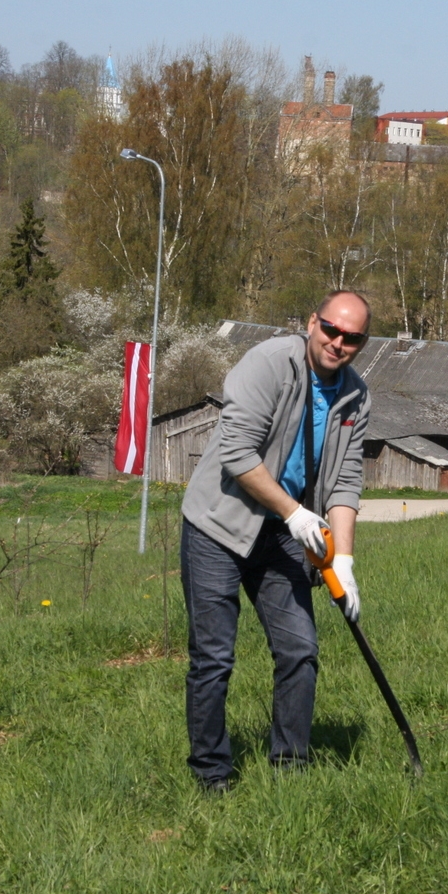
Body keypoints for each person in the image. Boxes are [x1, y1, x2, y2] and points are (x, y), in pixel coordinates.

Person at [178, 290, 372, 790]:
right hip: (218, 525)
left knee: (299, 649)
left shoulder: (355, 395)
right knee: (215, 657)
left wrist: (343, 560)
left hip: (283, 533)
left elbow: (346, 480)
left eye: (352, 337)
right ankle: (212, 776)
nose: (338, 343)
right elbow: (237, 452)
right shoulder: (266, 364)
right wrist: (294, 513)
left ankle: (289, 770)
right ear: (313, 322)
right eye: (331, 329)